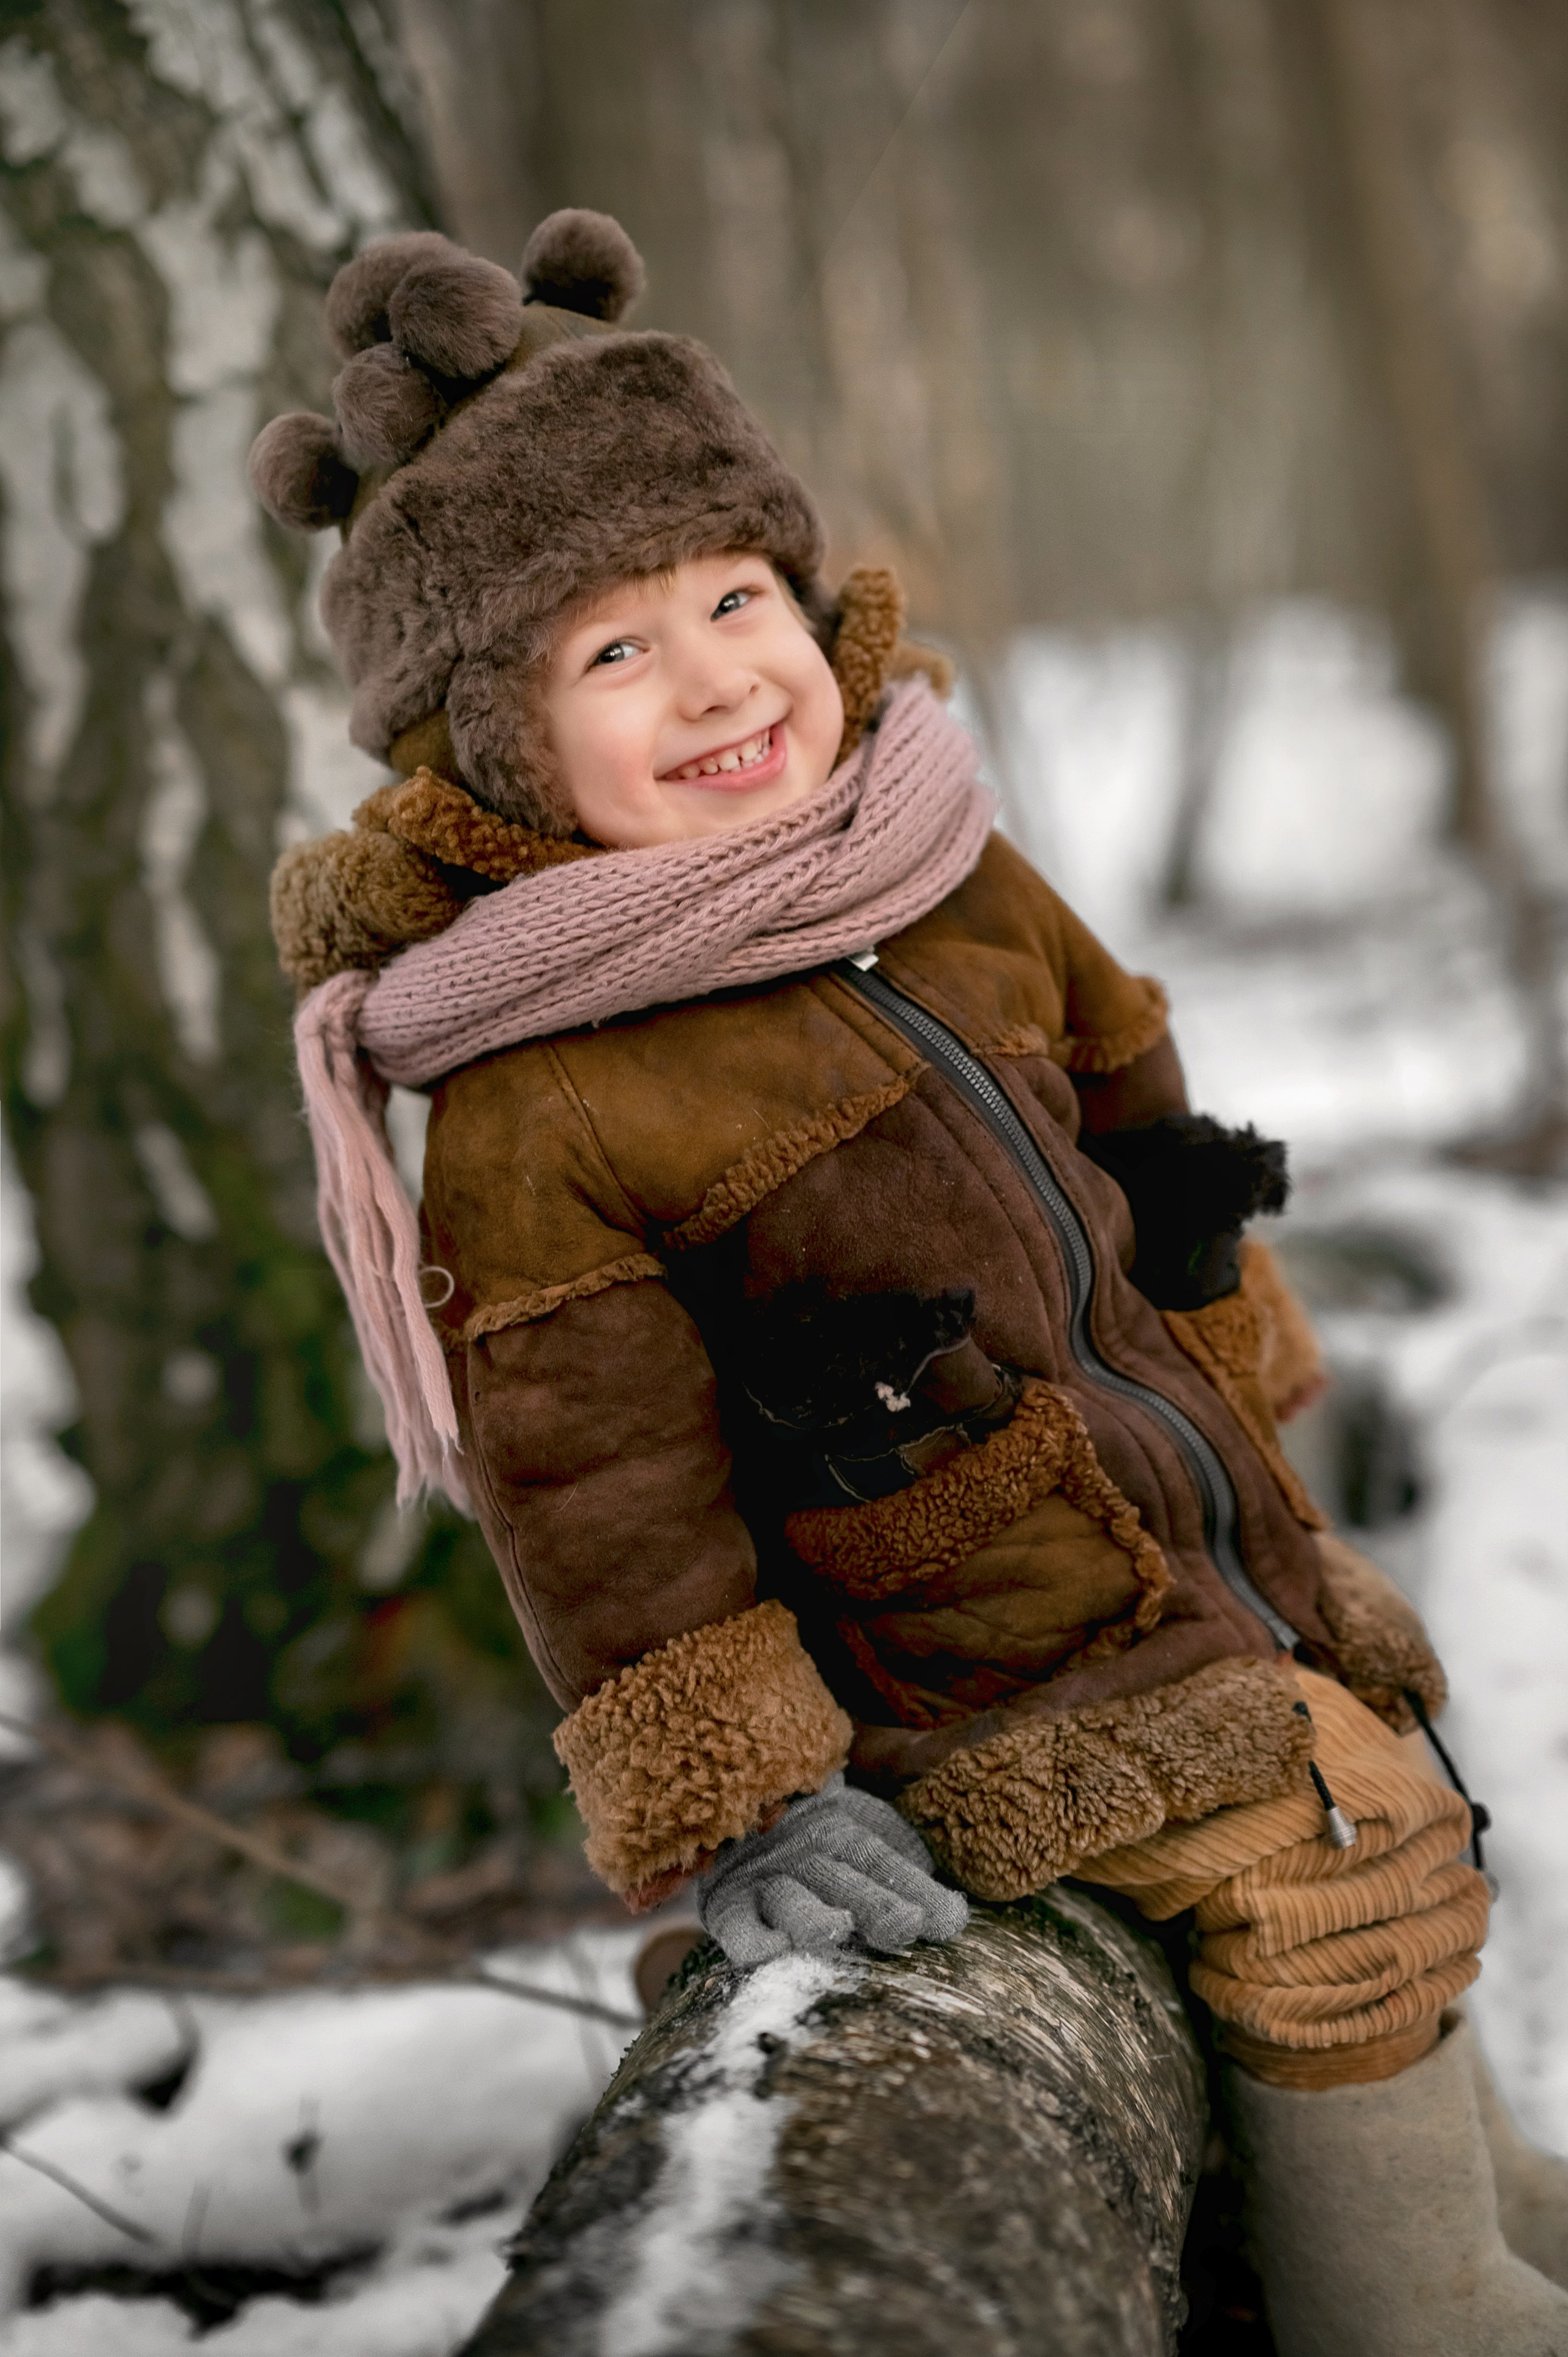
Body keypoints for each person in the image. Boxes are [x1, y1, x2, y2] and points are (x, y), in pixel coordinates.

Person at [253, 211, 1567, 2355]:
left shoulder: (930, 852)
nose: (714, 679)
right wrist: (749, 1803)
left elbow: (1131, 1075)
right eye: (613, 656)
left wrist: (1228, 1325)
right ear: (492, 750)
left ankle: (1452, 2185)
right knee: (1324, 1841)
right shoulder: (542, 1085)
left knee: (1383, 1748)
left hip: (1176, 1530)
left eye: (734, 599)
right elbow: (594, 1493)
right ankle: (1405, 2301)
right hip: (961, 1659)